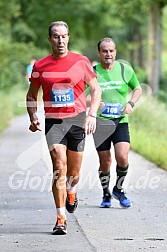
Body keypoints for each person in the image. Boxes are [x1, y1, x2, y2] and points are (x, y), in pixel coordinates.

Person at [26, 21, 101, 235]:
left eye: (64, 36)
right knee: (60, 167)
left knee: (74, 174)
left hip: (77, 120)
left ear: (69, 37)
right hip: (54, 121)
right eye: (56, 37)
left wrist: (91, 114)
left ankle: (72, 191)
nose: (61, 40)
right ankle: (61, 218)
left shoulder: (81, 62)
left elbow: (96, 90)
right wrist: (33, 116)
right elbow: (32, 95)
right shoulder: (40, 66)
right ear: (49, 39)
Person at [92, 37, 142, 208]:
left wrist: (131, 103)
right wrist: (93, 103)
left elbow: (137, 88)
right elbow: (79, 94)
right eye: (104, 51)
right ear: (99, 53)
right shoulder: (92, 72)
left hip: (120, 121)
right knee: (105, 162)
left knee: (122, 156)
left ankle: (118, 189)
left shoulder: (124, 69)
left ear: (115, 52)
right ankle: (106, 193)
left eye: (111, 50)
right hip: (101, 123)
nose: (108, 54)